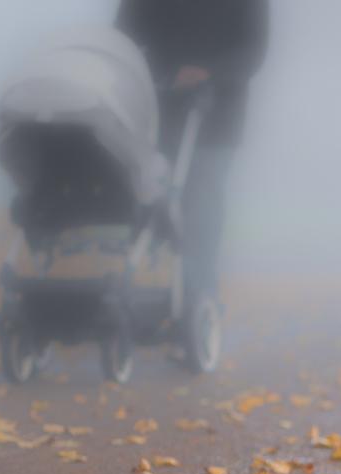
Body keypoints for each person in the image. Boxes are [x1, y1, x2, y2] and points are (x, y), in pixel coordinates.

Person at [115, 0, 269, 305]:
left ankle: (200, 294)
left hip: (216, 117)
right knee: (147, 195)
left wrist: (208, 73)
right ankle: (136, 281)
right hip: (155, 110)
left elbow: (253, 50)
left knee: (202, 199)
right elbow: (123, 36)